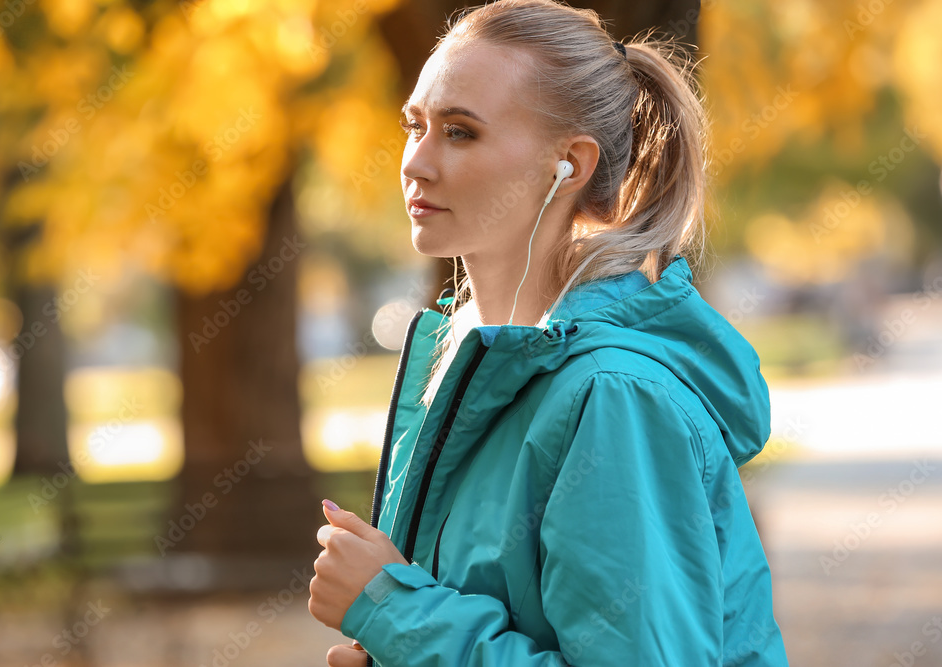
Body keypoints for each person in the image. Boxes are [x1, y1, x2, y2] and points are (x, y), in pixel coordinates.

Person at [308, 0, 791, 665]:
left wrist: (396, 609)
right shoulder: (472, 369)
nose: (415, 162)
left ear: (570, 163)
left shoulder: (611, 398)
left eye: (460, 132)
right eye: (414, 125)